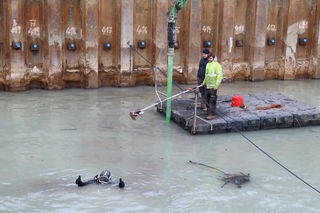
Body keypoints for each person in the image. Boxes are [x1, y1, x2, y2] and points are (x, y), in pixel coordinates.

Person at [200, 53, 223, 120]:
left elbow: (219, 76)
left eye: (210, 58)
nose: (209, 59)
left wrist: (216, 85)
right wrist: (203, 83)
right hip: (208, 85)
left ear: (213, 58)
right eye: (208, 58)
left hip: (213, 86)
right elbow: (207, 75)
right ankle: (208, 110)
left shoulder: (217, 65)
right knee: (207, 99)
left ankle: (212, 113)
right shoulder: (208, 64)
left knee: (212, 100)